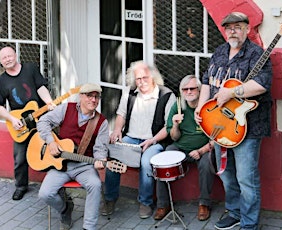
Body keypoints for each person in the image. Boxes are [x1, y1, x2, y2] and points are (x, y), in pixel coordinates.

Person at [195, 12, 272, 230]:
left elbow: (262, 84)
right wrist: (201, 106)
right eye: (228, 27)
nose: (232, 31)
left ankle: (249, 223)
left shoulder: (257, 54)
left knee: (246, 178)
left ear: (247, 29)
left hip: (248, 127)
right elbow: (206, 80)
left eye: (237, 27)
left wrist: (232, 93)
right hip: (219, 124)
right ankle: (235, 212)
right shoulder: (219, 52)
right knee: (226, 173)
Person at [102, 60, 175, 219]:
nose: (141, 83)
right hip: (131, 137)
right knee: (114, 159)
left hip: (155, 140)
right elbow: (121, 114)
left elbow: (168, 127)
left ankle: (145, 202)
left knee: (146, 162)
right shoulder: (130, 93)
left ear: (153, 76)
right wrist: (116, 130)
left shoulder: (166, 95)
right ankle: (109, 198)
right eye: (138, 79)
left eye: (145, 78)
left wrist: (153, 140)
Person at [37, 83, 109, 230]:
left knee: (95, 185)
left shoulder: (102, 122)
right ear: (81, 97)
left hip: (84, 166)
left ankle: (89, 227)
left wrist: (101, 160)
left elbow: (100, 148)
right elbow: (43, 121)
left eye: (96, 97)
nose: (93, 100)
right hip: (60, 165)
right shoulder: (66, 109)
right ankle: (65, 209)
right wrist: (50, 142)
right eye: (89, 96)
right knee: (45, 194)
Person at [0, 46, 55, 201]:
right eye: (4, 58)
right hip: (20, 124)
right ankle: (21, 187)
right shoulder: (0, 82)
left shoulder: (30, 68)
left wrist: (49, 102)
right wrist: (12, 119)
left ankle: (55, 185)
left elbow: (41, 87)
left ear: (16, 55)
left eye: (9, 56)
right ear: (1, 62)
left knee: (51, 150)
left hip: (40, 119)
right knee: (20, 158)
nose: (7, 59)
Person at [159, 75, 215, 221]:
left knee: (206, 162)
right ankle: (163, 204)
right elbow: (174, 137)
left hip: (202, 149)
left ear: (199, 90)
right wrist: (176, 124)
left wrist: (201, 151)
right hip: (180, 147)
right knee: (164, 158)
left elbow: (216, 138)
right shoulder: (178, 105)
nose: (189, 92)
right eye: (185, 89)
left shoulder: (208, 106)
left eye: (192, 88)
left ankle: (204, 203)